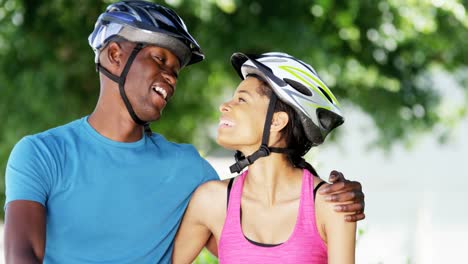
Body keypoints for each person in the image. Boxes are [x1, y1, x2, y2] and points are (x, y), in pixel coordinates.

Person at [3, 1, 364, 263]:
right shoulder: (42, 153)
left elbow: (253, 239)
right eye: (160, 60)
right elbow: (23, 254)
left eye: (176, 69)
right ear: (114, 55)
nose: (172, 78)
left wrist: (333, 197)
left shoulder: (189, 170)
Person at [173, 52, 357, 263]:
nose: (224, 106)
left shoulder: (331, 204)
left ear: (277, 122)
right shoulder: (211, 201)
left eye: (242, 99)